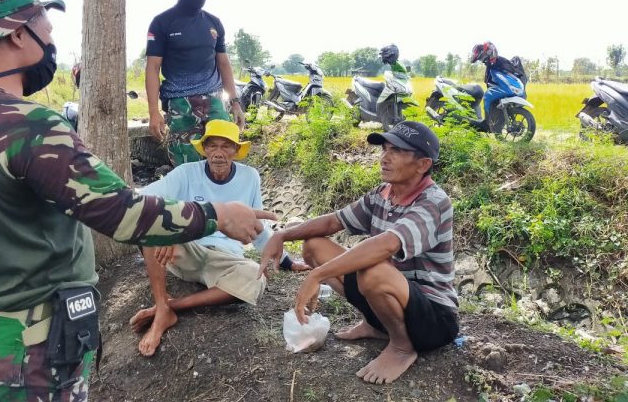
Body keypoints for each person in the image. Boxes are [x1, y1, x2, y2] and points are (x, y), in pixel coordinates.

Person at [0, 0, 268, 402]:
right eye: (46, 32)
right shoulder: (24, 124)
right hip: (33, 349)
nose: (50, 46)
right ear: (15, 34)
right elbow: (123, 213)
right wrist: (219, 215)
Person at [259, 121, 459, 385]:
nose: (385, 158)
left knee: (373, 268)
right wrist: (282, 234)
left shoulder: (434, 202)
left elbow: (387, 244)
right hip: (391, 293)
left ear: (423, 165)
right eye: (384, 149)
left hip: (433, 317)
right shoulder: (382, 194)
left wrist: (317, 275)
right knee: (314, 246)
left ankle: (401, 347)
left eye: (396, 151)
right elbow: (334, 222)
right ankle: (377, 325)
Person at [130, 119, 310, 356]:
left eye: (226, 146)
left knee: (255, 279)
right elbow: (145, 198)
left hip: (224, 259)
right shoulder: (186, 173)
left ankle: (171, 307)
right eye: (212, 146)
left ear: (236, 150)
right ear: (204, 149)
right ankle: (162, 308)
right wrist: (168, 229)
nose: (218, 153)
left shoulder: (250, 177)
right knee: (148, 228)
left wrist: (287, 261)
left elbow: (255, 227)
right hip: (184, 251)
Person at [145, 0, 245, 167]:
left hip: (214, 101)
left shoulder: (213, 23)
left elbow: (224, 63)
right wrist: (153, 112)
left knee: (222, 162)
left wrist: (235, 102)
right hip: (180, 103)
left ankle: (219, 199)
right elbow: (153, 68)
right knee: (186, 166)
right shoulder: (162, 22)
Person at [470, 41, 526, 131]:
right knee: (487, 96)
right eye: (481, 58)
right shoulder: (491, 67)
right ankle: (488, 123)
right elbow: (489, 83)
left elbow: (510, 75)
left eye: (483, 57)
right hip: (508, 89)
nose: (483, 60)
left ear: (489, 53)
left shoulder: (500, 63)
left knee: (487, 96)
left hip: (511, 88)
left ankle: (488, 123)